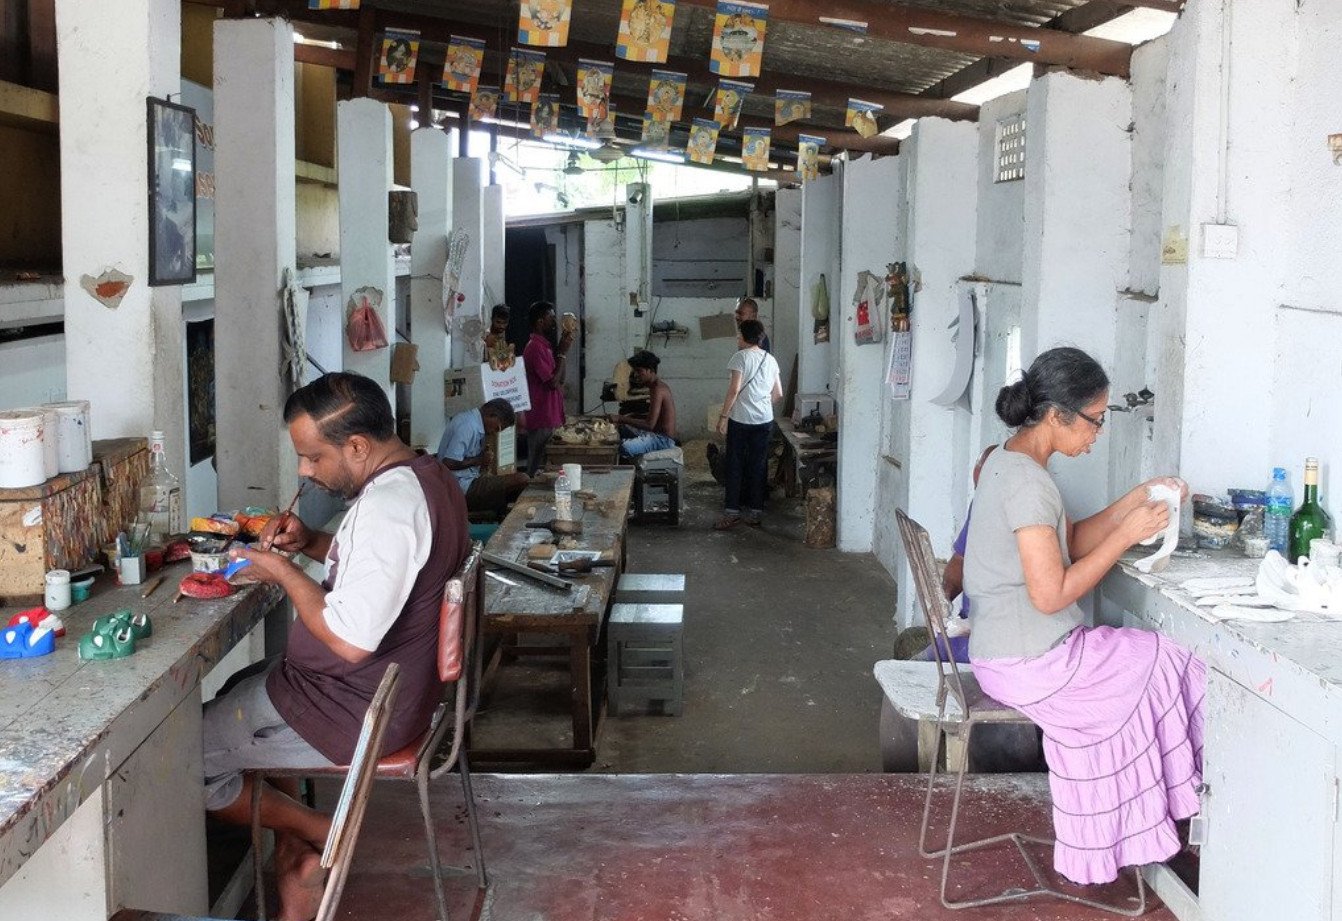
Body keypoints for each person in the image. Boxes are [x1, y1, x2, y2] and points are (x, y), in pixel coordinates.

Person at [203, 372, 468, 921]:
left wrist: (280, 570)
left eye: (313, 457)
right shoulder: (424, 475)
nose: (304, 470)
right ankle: (296, 859)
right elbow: (384, 573)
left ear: (356, 446)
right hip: (382, 692)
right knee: (234, 688)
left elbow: (348, 641)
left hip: (355, 709)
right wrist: (312, 543)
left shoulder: (388, 509)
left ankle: (320, 829)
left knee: (181, 759)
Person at [964, 346, 1201, 886]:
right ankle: (1152, 824)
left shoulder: (1011, 460)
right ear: (1057, 414)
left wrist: (1137, 499)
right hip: (1030, 662)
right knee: (1167, 657)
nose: (1097, 434)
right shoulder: (1028, 483)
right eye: (1094, 420)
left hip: (1007, 653)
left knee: (1148, 657)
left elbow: (1066, 543)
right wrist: (1126, 535)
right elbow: (1051, 594)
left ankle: (1148, 821)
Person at [913, 443, 997, 663]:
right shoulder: (980, 505)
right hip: (959, 637)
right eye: (980, 489)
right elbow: (961, 558)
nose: (983, 496)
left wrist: (974, 627)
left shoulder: (1029, 530)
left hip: (994, 649)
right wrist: (945, 596)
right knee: (904, 669)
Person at [714, 319, 781, 530]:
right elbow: (778, 394)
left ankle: (732, 512)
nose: (737, 338)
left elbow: (734, 390)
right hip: (764, 421)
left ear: (744, 336)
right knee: (758, 466)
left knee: (735, 465)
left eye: (738, 334)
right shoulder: (771, 360)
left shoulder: (740, 357)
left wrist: (723, 416)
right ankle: (755, 512)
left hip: (741, 421)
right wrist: (760, 404)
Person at [437, 398, 529, 518]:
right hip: (460, 487)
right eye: (498, 428)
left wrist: (482, 463)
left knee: (514, 488)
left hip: (467, 481)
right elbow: (448, 463)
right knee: (522, 479)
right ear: (491, 414)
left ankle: (501, 515)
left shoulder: (474, 424)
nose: (495, 432)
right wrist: (479, 460)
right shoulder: (468, 426)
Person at [523, 300, 572, 475]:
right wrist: (562, 353)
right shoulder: (535, 348)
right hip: (541, 415)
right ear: (540, 321)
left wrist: (561, 353)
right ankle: (527, 499)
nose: (554, 322)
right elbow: (552, 383)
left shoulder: (546, 346)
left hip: (552, 415)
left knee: (547, 466)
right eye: (550, 318)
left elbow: (561, 379)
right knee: (536, 466)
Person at [610, 350, 677, 458]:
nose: (636, 375)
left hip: (663, 440)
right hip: (654, 434)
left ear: (650, 370)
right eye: (635, 371)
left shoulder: (657, 389)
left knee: (623, 447)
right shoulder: (653, 387)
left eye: (639, 371)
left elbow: (649, 425)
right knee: (620, 430)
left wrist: (620, 418)